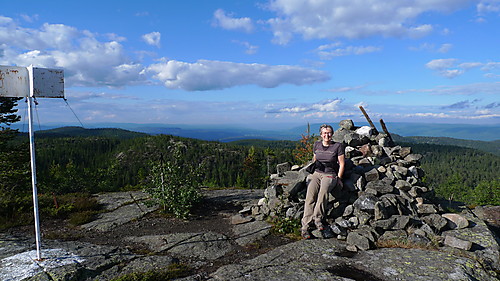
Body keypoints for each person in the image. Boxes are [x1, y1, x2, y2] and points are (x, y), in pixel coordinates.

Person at [301, 124, 345, 239]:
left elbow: (342, 164)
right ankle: (305, 225)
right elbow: (315, 159)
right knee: (310, 196)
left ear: (332, 134)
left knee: (322, 194)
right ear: (321, 135)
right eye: (324, 133)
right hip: (317, 173)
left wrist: (339, 178)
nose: (327, 135)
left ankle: (317, 219)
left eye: (329, 133)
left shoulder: (337, 146)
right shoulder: (316, 145)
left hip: (330, 175)